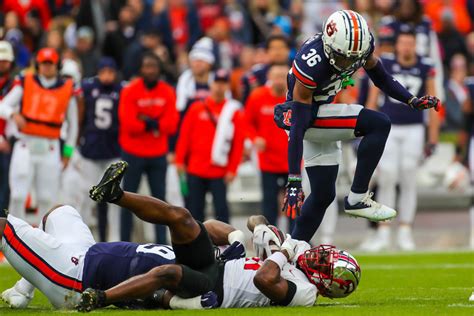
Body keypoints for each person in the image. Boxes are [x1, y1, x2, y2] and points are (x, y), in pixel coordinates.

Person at [74, 161, 360, 311]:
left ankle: (99, 298)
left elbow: (264, 279)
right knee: (182, 217)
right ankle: (116, 194)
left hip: (214, 289)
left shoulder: (306, 293)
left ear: (326, 284)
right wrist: (262, 229)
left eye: (325, 262)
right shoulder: (294, 256)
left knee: (168, 272)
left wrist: (282, 251)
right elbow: (254, 220)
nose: (318, 255)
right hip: (218, 264)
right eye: (326, 254)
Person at [273, 10, 440, 243]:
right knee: (379, 123)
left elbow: (381, 77)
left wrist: (411, 100)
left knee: (322, 195)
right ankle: (357, 197)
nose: (349, 62)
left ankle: (287, 254)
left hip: (322, 114)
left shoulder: (361, 46)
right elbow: (299, 124)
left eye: (354, 57)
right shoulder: (311, 62)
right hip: (306, 117)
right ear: (329, 45)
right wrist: (293, 180)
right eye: (343, 57)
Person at [0, 198, 245, 309]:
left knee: (3, 227)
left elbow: (164, 296)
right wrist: (238, 238)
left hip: (75, 277)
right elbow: (209, 227)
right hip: (88, 251)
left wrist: (101, 298)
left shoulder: (194, 282)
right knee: (60, 211)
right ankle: (24, 289)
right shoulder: (206, 257)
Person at [365, 29, 440, 251]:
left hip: (414, 128)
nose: (406, 47)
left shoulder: (425, 65)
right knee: (387, 176)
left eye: (410, 43)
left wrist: (433, 137)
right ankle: (384, 231)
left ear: (416, 45)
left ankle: (405, 229)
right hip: (388, 126)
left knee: (408, 176)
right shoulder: (385, 62)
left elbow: (434, 100)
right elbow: (372, 97)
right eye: (403, 43)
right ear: (396, 45)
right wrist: (365, 128)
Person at [0, 48, 78, 223]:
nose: (47, 67)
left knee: (46, 198)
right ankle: (13, 236)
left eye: (50, 63)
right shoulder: (26, 82)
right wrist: (13, 114)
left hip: (50, 146)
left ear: (56, 65)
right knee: (18, 195)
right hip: (25, 144)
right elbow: (2, 106)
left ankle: (42, 238)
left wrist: (67, 152)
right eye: (44, 63)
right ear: (38, 64)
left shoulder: (67, 88)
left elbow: (73, 125)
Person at [61, 57, 125, 242]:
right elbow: (77, 110)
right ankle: (82, 239)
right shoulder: (88, 88)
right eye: (103, 72)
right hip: (90, 151)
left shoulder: (121, 90)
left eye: (110, 72)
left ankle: (115, 240)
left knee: (116, 200)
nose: (106, 76)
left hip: (113, 151)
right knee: (87, 198)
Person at [118, 53, 179, 244]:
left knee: (160, 203)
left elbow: (171, 125)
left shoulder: (167, 91)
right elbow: (128, 124)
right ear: (141, 69)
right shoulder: (130, 90)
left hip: (157, 153)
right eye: (147, 66)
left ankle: (162, 244)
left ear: (159, 69)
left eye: (154, 66)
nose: (150, 70)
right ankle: (124, 243)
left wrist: (145, 120)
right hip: (133, 152)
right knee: (126, 200)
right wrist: (154, 124)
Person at [175, 69, 245, 223]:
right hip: (196, 168)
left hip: (219, 171)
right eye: (217, 83)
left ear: (227, 86)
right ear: (211, 84)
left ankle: (225, 244)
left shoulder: (233, 111)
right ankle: (196, 244)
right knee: (194, 211)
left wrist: (233, 169)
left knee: (221, 211)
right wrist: (179, 160)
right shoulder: (196, 108)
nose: (219, 87)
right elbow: (184, 136)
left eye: (223, 83)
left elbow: (238, 143)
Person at [245, 64, 290, 226]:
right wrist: (255, 138)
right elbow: (247, 123)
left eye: (283, 76)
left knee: (293, 203)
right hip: (267, 161)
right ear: (269, 78)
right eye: (276, 76)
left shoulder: (295, 97)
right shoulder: (257, 97)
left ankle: (297, 238)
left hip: (291, 160)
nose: (279, 80)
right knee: (269, 202)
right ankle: (271, 237)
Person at [241, 34, 290, 103]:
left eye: (281, 47)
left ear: (288, 50)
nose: (278, 52)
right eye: (274, 48)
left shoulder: (298, 73)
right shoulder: (255, 75)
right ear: (267, 52)